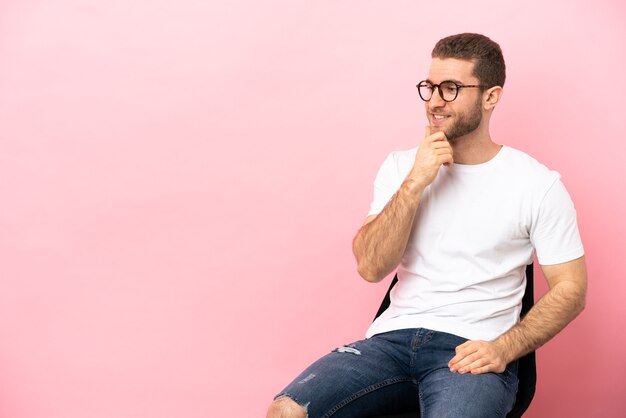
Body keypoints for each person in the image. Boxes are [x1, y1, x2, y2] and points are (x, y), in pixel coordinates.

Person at [266, 33, 587, 418]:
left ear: (491, 97)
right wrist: (416, 180)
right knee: (286, 411)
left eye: (451, 89)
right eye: (430, 87)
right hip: (390, 343)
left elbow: (571, 289)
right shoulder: (402, 167)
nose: (435, 101)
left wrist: (503, 348)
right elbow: (370, 267)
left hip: (470, 350)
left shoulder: (536, 184)